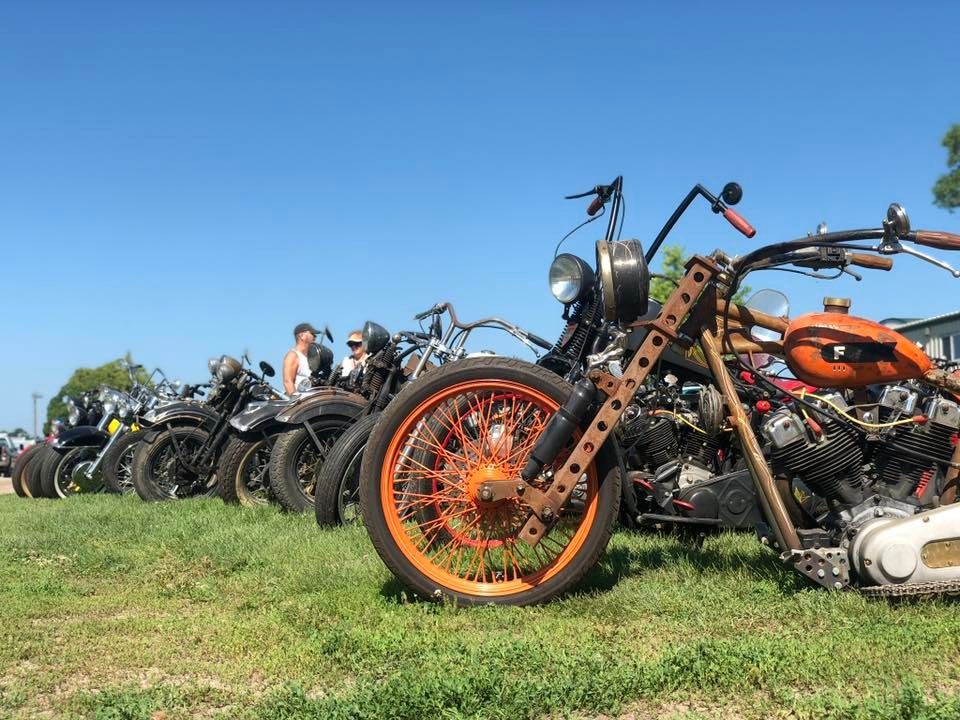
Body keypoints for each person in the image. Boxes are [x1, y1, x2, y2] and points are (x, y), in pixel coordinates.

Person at [283, 322, 319, 395]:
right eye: (313, 334)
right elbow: (288, 382)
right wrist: (296, 402)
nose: (315, 337)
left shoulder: (311, 358)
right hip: (302, 403)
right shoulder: (293, 355)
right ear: (302, 336)